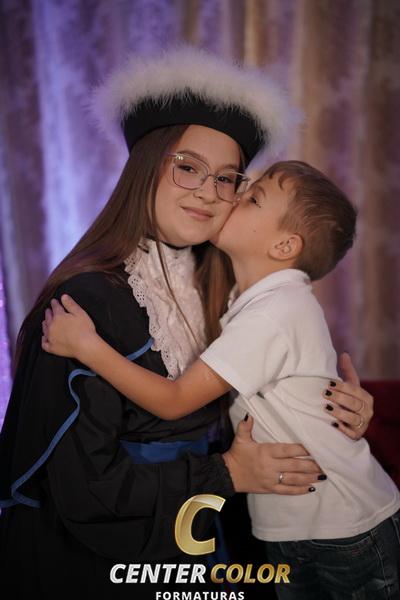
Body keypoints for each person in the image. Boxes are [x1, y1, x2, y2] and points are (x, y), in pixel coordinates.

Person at [0, 47, 373, 599]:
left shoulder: (229, 293)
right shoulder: (85, 305)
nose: (208, 192)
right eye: (188, 166)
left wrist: (332, 412)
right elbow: (82, 488)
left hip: (205, 544)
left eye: (227, 179)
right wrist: (227, 474)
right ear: (147, 167)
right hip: (102, 566)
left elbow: (258, 405)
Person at [41, 160, 398, 599]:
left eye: (253, 198)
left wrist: (87, 347)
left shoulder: (275, 312)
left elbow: (174, 401)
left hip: (346, 527)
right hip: (296, 524)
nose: (233, 197)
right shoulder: (251, 299)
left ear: (284, 245)